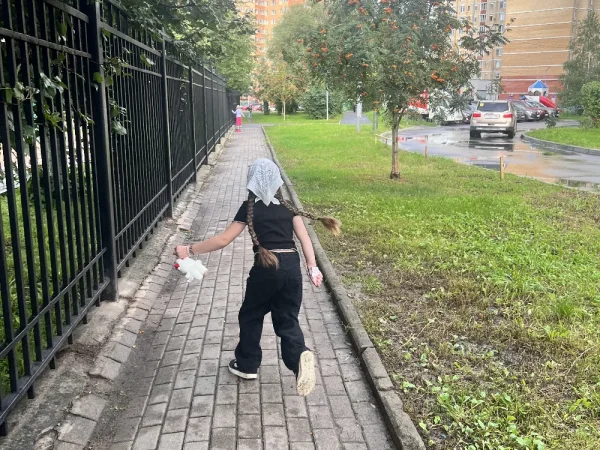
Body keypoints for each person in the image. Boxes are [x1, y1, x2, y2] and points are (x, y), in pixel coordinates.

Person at [175, 159, 341, 396]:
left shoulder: (249, 208)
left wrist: (189, 249)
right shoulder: (289, 207)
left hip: (266, 267)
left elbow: (223, 240)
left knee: (251, 314)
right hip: (292, 267)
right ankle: (299, 356)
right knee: (287, 318)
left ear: (251, 182)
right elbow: (305, 239)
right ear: (277, 181)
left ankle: (247, 364)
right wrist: (312, 267)